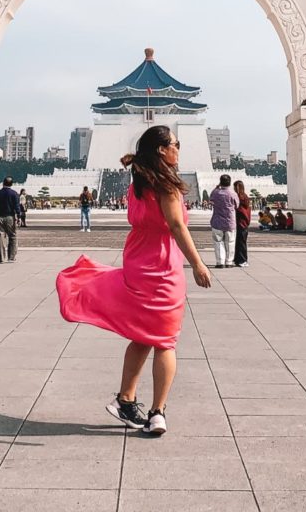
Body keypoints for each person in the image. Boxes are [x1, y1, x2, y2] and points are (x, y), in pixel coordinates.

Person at [56, 125, 212, 439]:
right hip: (161, 268)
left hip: (137, 262)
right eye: (175, 145)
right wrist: (197, 263)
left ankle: (125, 400)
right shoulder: (167, 187)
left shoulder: (137, 183)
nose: (179, 149)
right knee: (165, 341)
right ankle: (157, 412)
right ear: (161, 151)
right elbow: (177, 227)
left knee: (143, 335)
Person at [208, 174, 238, 269]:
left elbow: (211, 199)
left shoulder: (216, 192)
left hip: (217, 221)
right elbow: (237, 205)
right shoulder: (233, 193)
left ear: (220, 182)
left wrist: (217, 187)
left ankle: (220, 262)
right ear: (230, 182)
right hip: (230, 221)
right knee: (230, 242)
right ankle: (229, 262)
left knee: (218, 242)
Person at [0, 177, 22, 263]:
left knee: (0, 237)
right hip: (10, 217)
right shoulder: (14, 193)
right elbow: (17, 206)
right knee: (12, 236)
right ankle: (11, 257)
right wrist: (19, 217)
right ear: (12, 184)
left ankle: (1, 258)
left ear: (3, 183)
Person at [232, 180, 251, 268]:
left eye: (235, 187)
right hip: (243, 223)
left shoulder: (240, 197)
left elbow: (239, 210)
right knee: (240, 242)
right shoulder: (244, 197)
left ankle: (242, 260)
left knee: (241, 242)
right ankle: (238, 259)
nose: (234, 189)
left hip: (241, 222)